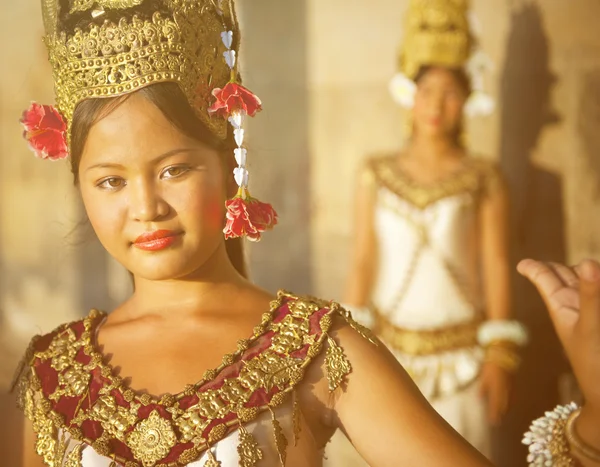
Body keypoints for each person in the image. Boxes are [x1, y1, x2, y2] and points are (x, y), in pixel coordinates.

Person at [11, 0, 600, 466]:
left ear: (230, 160)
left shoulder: (320, 350)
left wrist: (594, 425)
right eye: (110, 181)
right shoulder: (50, 377)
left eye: (174, 169)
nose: (146, 206)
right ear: (79, 186)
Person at [340, 0, 525, 459]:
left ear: (467, 100)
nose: (436, 105)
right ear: (410, 94)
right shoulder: (375, 172)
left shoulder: (484, 176)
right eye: (427, 91)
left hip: (463, 361)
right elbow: (363, 259)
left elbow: (497, 263)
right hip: (387, 354)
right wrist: (346, 348)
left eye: (450, 93)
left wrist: (499, 356)